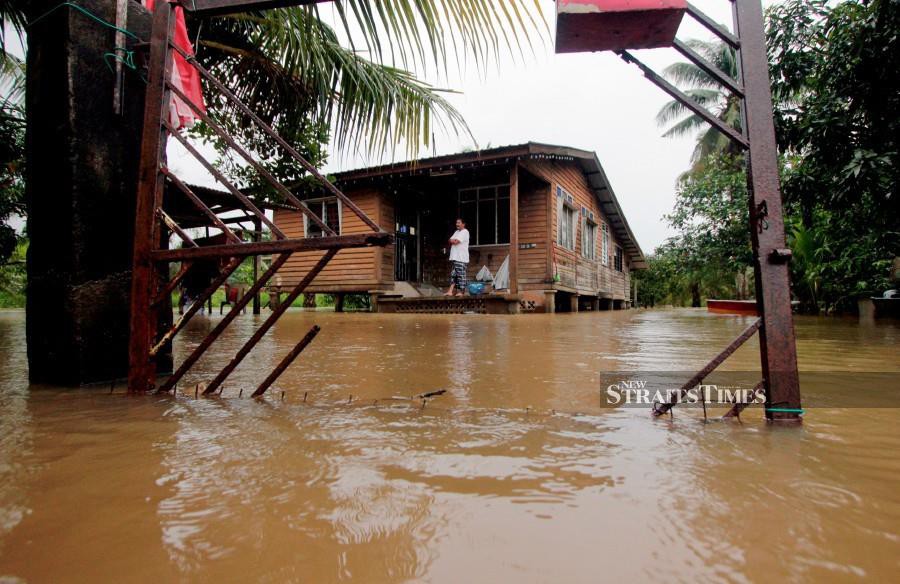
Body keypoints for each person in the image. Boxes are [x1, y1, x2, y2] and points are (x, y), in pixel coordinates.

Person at [446, 218, 470, 296]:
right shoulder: (456, 232)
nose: (457, 224)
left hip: (461, 258)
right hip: (455, 257)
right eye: (456, 223)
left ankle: (461, 292)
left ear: (463, 224)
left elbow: (456, 242)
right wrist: (453, 240)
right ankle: (450, 291)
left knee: (461, 275)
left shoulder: (465, 232)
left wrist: (453, 241)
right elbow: (449, 240)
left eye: (459, 223)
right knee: (453, 274)